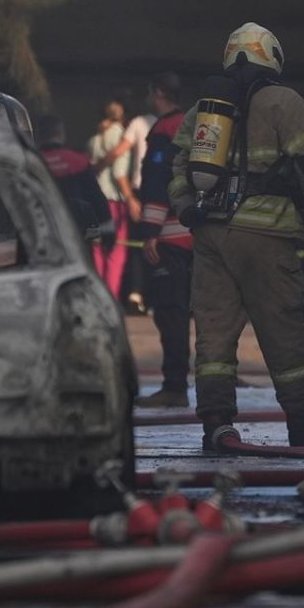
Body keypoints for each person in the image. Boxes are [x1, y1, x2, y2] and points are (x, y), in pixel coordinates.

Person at [167, 22, 304, 449]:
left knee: (214, 330)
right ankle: (302, 419)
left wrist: (188, 209)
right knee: (280, 327)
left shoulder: (202, 111)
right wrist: (299, 198)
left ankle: (217, 422)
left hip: (210, 234)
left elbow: (176, 171)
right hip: (266, 236)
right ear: (271, 56)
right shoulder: (284, 102)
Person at [134, 72, 192, 408]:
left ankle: (174, 387)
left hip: (169, 237)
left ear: (157, 93)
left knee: (170, 313)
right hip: (194, 236)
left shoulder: (163, 131)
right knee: (186, 312)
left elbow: (157, 183)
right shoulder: (193, 125)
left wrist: (150, 234)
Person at [87, 98, 139, 299]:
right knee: (116, 252)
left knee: (97, 248)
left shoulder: (93, 140)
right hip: (114, 202)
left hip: (96, 200)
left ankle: (98, 297)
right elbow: (119, 172)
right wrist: (130, 198)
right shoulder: (122, 137)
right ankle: (111, 298)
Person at [36, 114, 111, 242]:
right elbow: (96, 197)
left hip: (41, 236)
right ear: (61, 133)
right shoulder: (78, 161)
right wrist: (108, 231)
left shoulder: (30, 163)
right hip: (77, 236)